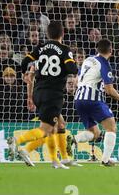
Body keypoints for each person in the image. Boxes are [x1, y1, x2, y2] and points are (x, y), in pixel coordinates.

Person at [7, 21, 78, 168]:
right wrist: (73, 67)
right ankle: (20, 143)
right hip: (53, 95)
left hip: (38, 92)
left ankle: (58, 160)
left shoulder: (40, 48)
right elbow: (72, 69)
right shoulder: (64, 49)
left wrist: (24, 74)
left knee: (59, 125)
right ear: (63, 33)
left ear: (47, 34)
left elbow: (25, 61)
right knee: (45, 130)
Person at [68, 39, 119, 167]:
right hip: (93, 99)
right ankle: (105, 160)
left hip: (78, 99)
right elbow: (109, 90)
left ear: (97, 49)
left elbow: (77, 81)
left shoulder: (88, 60)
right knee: (111, 127)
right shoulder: (104, 64)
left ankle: (73, 140)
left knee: (95, 134)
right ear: (111, 51)